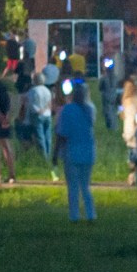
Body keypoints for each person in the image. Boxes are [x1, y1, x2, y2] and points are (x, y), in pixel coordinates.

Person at [52, 78, 98, 222]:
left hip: (72, 151)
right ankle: (91, 214)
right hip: (88, 151)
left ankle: (74, 215)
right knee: (85, 185)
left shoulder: (68, 110)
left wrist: (55, 152)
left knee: (72, 186)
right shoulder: (89, 110)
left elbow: (62, 134)